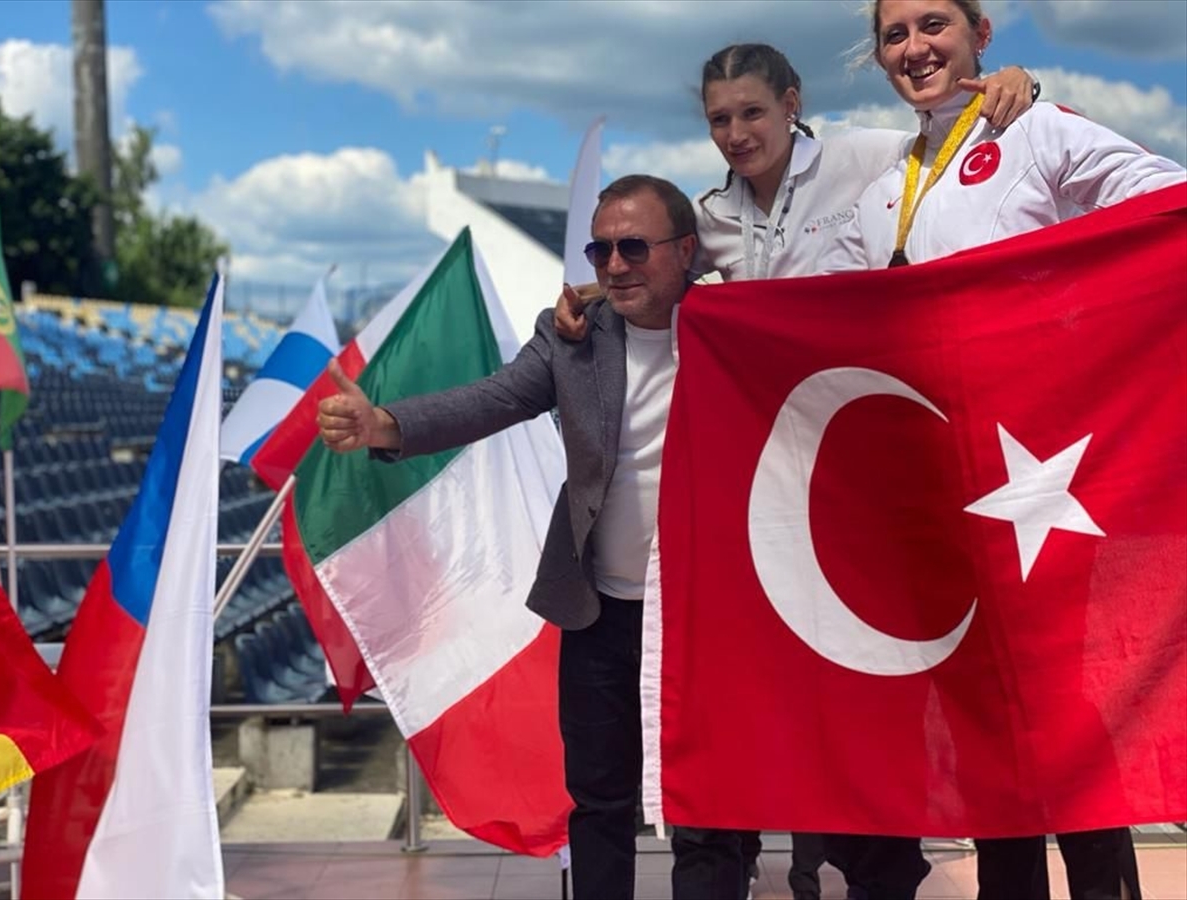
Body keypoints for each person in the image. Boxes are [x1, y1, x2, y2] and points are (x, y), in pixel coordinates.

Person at [558, 41, 1035, 900]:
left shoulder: (866, 156)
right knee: (775, 724)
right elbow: (655, 275)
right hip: (778, 502)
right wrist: (591, 295)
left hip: (869, 485)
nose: (736, 133)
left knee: (866, 737)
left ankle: (883, 874)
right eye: (719, 120)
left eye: (751, 112)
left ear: (792, 102)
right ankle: (774, 866)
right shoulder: (710, 219)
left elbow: (962, 153)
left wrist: (1018, 87)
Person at [821, 1, 1186, 898]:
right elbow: (812, 317)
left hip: (1045, 483)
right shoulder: (878, 196)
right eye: (896, 35)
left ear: (981, 35)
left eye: (934, 25)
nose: (916, 48)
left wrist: (1069, 316)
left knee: (1070, 719)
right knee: (984, 729)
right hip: (942, 499)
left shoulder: (1037, 131)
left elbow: (1167, 211)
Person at [316, 174, 746, 900]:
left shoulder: (736, 323)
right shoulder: (573, 336)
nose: (615, 265)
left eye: (634, 247)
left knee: (709, 813)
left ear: (685, 251)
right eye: (601, 250)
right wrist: (384, 425)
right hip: (599, 612)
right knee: (599, 804)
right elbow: (493, 399)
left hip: (706, 618)